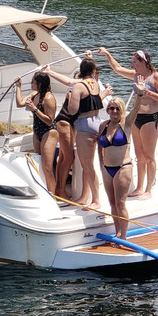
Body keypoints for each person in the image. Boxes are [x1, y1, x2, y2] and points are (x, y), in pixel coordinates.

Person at [99, 47, 158, 199]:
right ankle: (139, 187)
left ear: (143, 62)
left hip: (151, 118)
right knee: (139, 155)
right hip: (136, 117)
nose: (133, 64)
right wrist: (107, 54)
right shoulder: (136, 75)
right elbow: (117, 69)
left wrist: (146, 91)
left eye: (135, 61)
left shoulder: (156, 77)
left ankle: (148, 190)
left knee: (149, 156)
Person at [47, 57, 106, 207]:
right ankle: (85, 197)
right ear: (93, 71)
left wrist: (72, 96)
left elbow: (73, 110)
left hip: (84, 125)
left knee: (87, 165)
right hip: (97, 123)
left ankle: (95, 200)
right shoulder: (95, 84)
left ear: (80, 71)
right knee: (89, 164)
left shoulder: (79, 86)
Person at [98, 95, 141, 238]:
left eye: (117, 108)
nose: (114, 111)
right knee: (112, 203)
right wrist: (101, 164)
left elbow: (135, 109)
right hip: (107, 168)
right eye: (111, 108)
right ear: (108, 110)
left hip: (123, 167)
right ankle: (118, 232)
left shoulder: (126, 124)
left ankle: (123, 236)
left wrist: (139, 94)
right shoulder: (103, 125)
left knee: (120, 203)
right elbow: (100, 147)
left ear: (121, 110)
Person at [14, 71, 58, 192]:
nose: (31, 83)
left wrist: (34, 109)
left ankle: (53, 195)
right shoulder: (34, 94)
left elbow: (50, 120)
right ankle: (43, 190)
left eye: (33, 81)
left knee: (47, 167)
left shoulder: (49, 98)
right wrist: (18, 87)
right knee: (38, 162)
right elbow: (20, 104)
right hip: (37, 131)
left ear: (39, 83)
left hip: (48, 132)